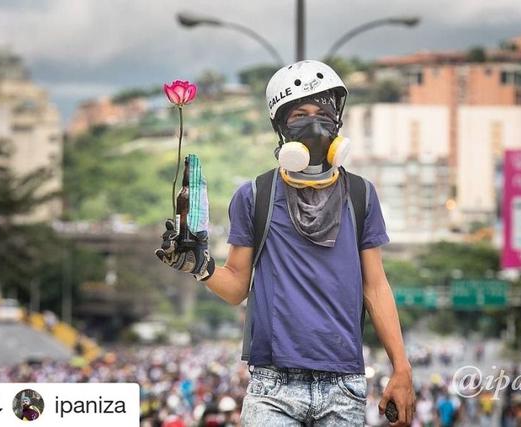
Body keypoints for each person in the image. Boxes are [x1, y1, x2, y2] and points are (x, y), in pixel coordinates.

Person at [156, 59, 414, 426]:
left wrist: (401, 368)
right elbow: (235, 288)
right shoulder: (254, 195)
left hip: (345, 386)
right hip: (272, 388)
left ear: (337, 119)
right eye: (299, 115)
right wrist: (200, 266)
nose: (314, 123)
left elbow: (376, 287)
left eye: (322, 111)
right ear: (280, 127)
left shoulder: (361, 194)